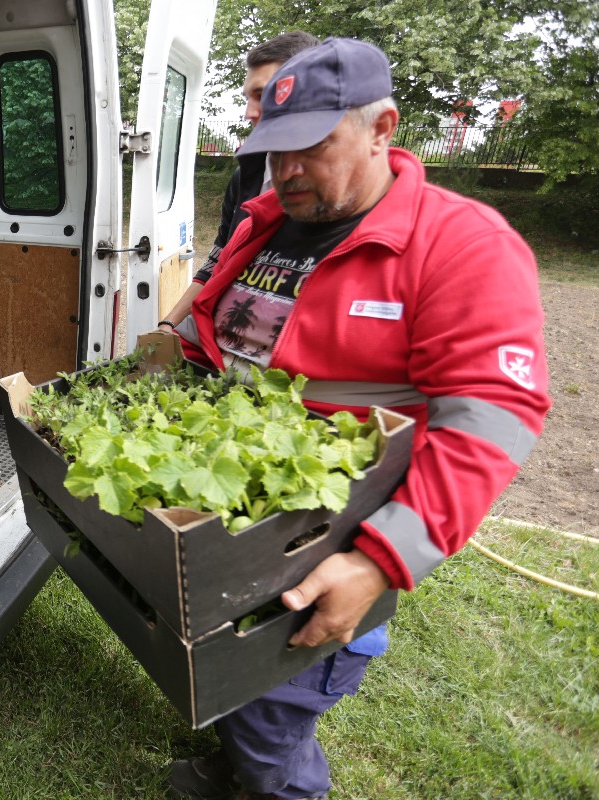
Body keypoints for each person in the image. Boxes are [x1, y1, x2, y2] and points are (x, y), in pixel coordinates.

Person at [167, 37, 551, 800]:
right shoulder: (269, 219)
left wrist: (380, 559)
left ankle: (273, 782)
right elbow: (212, 321)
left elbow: (495, 413)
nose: (287, 171)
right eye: (274, 152)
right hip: (234, 502)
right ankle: (232, 763)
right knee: (228, 676)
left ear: (382, 129)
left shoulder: (460, 243)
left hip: (324, 534)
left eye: (311, 146)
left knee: (278, 709)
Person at [157, 31, 318, 339]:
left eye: (264, 95)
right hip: (222, 337)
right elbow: (219, 258)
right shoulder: (247, 176)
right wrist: (168, 324)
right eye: (248, 98)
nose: (249, 113)